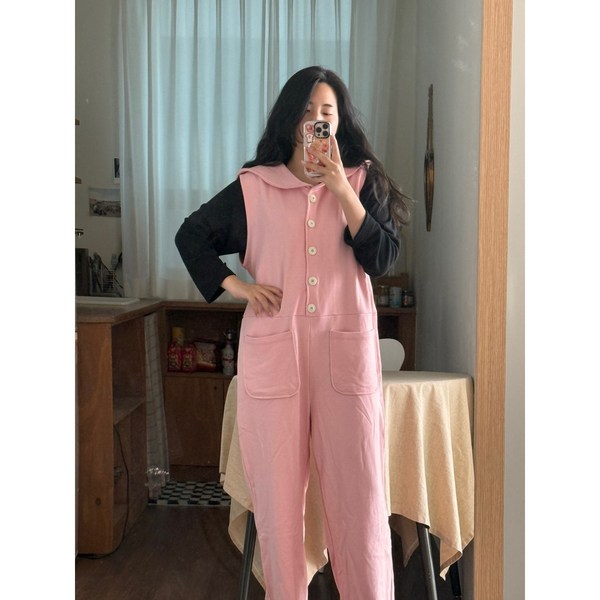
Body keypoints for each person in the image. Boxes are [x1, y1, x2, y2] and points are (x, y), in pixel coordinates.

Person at [175, 65, 411, 600]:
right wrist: (236, 285)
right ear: (290, 120)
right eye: (307, 111)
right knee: (278, 507)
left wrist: (340, 188)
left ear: (339, 122)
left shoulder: (361, 182)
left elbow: (382, 258)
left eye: (326, 112)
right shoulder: (254, 187)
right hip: (273, 358)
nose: (316, 120)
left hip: (345, 360)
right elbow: (192, 235)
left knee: (360, 499)